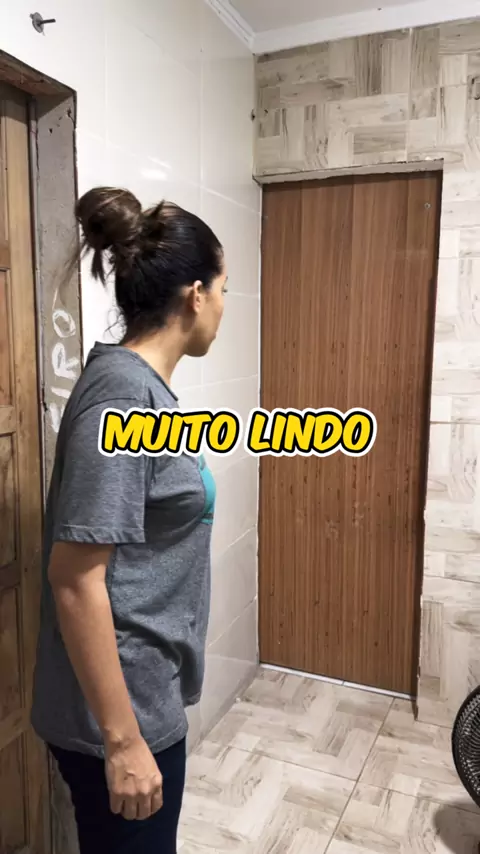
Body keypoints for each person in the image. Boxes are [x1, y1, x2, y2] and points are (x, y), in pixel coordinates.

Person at [31, 187, 228, 854]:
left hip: (144, 697)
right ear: (195, 296)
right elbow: (74, 579)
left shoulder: (144, 394)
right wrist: (122, 742)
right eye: (223, 289)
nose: (223, 306)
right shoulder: (121, 398)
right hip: (119, 718)